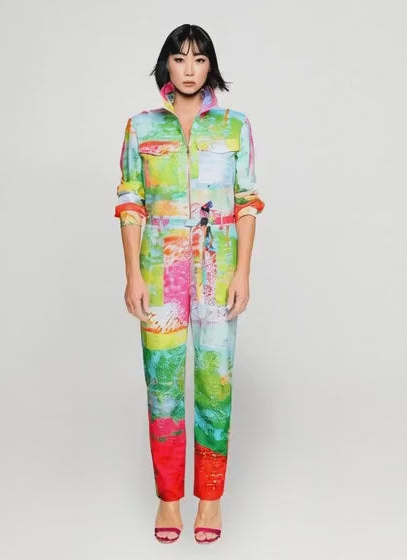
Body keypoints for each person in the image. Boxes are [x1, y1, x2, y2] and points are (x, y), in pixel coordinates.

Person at [114, 23, 265, 544]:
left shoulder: (234, 126)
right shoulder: (141, 128)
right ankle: (168, 498)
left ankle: (211, 498)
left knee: (214, 384)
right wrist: (132, 274)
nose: (189, 69)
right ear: (166, 65)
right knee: (162, 387)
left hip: (217, 273)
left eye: (199, 60)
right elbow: (130, 203)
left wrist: (243, 271)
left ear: (210, 67)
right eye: (180, 59)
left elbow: (246, 202)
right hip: (159, 274)